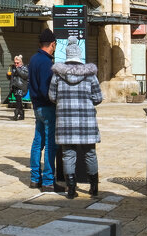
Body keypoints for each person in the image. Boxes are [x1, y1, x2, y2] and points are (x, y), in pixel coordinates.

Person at [49, 37, 103, 199]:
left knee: (68, 154)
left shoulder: (58, 75)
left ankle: (71, 189)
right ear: (80, 55)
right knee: (90, 153)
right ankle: (94, 187)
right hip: (86, 121)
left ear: (66, 55)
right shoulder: (90, 75)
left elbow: (52, 96)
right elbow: (98, 98)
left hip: (65, 121)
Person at [28, 29, 63, 192]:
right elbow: (46, 88)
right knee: (50, 144)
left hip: (37, 107)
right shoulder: (47, 63)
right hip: (47, 107)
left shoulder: (34, 59)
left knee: (38, 142)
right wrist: (55, 100)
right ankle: (48, 181)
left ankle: (35, 179)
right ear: (52, 44)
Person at [7, 54, 29, 121]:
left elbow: (25, 76)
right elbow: (11, 78)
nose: (16, 64)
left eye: (17, 63)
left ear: (21, 62)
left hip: (21, 86)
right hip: (15, 86)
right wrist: (8, 75)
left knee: (18, 101)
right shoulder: (13, 68)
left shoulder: (24, 68)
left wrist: (17, 69)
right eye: (15, 63)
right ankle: (22, 115)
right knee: (18, 101)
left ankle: (16, 114)